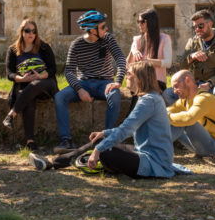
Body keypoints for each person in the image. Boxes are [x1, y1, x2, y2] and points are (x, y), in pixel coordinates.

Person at [30, 61, 191, 179]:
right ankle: (53, 163)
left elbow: (126, 129)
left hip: (154, 163)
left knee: (105, 152)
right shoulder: (151, 98)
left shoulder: (149, 100)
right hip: (145, 155)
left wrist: (98, 150)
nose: (125, 77)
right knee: (101, 140)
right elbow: (127, 128)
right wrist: (104, 133)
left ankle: (91, 160)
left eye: (129, 74)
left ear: (139, 79)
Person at [54, 10, 126, 153]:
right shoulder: (76, 44)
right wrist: (79, 90)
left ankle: (107, 140)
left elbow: (121, 59)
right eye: (103, 27)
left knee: (115, 96)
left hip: (104, 83)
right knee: (59, 97)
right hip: (83, 83)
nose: (106, 29)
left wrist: (118, 81)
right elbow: (68, 71)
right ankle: (66, 141)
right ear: (93, 30)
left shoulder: (108, 39)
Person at [3, 19, 59, 151]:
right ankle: (30, 141)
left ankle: (11, 115)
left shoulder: (44, 47)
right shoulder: (12, 50)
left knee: (35, 84)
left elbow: (53, 69)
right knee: (27, 96)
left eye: (34, 31)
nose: (31, 34)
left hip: (46, 83)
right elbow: (9, 73)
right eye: (27, 31)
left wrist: (41, 76)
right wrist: (21, 79)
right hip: (24, 85)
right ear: (21, 32)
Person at [164, 9, 215, 105]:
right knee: (168, 94)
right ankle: (186, 117)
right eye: (194, 27)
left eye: (200, 25)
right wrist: (191, 57)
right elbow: (181, 67)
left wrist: (210, 83)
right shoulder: (192, 42)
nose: (197, 29)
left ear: (210, 24)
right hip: (197, 83)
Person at [167, 70, 215, 157]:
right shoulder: (184, 100)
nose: (174, 91)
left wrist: (167, 116)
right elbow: (168, 110)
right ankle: (151, 146)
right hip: (197, 146)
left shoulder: (204, 98)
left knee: (184, 120)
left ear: (187, 80)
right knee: (175, 119)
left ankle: (155, 149)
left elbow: (189, 118)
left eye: (176, 86)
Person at [126, 8, 172, 108]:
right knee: (138, 100)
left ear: (151, 22)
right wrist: (133, 50)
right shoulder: (137, 40)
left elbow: (168, 63)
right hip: (139, 81)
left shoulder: (164, 39)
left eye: (142, 22)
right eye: (138, 21)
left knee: (142, 102)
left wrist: (148, 61)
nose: (139, 24)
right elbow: (128, 65)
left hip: (157, 82)